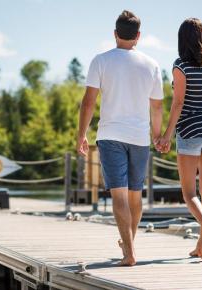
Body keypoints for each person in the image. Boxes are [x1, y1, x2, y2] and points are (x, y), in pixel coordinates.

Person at [76, 10, 164, 266]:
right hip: (140, 138)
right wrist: (157, 136)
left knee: (119, 196)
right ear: (138, 36)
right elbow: (157, 107)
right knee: (135, 197)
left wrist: (82, 134)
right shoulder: (152, 64)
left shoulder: (100, 60)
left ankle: (128, 253)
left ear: (115, 34)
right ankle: (129, 246)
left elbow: (88, 102)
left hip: (110, 135)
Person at [157, 18, 202, 259]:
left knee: (188, 193)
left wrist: (166, 135)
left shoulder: (181, 66)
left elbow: (177, 104)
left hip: (189, 132)